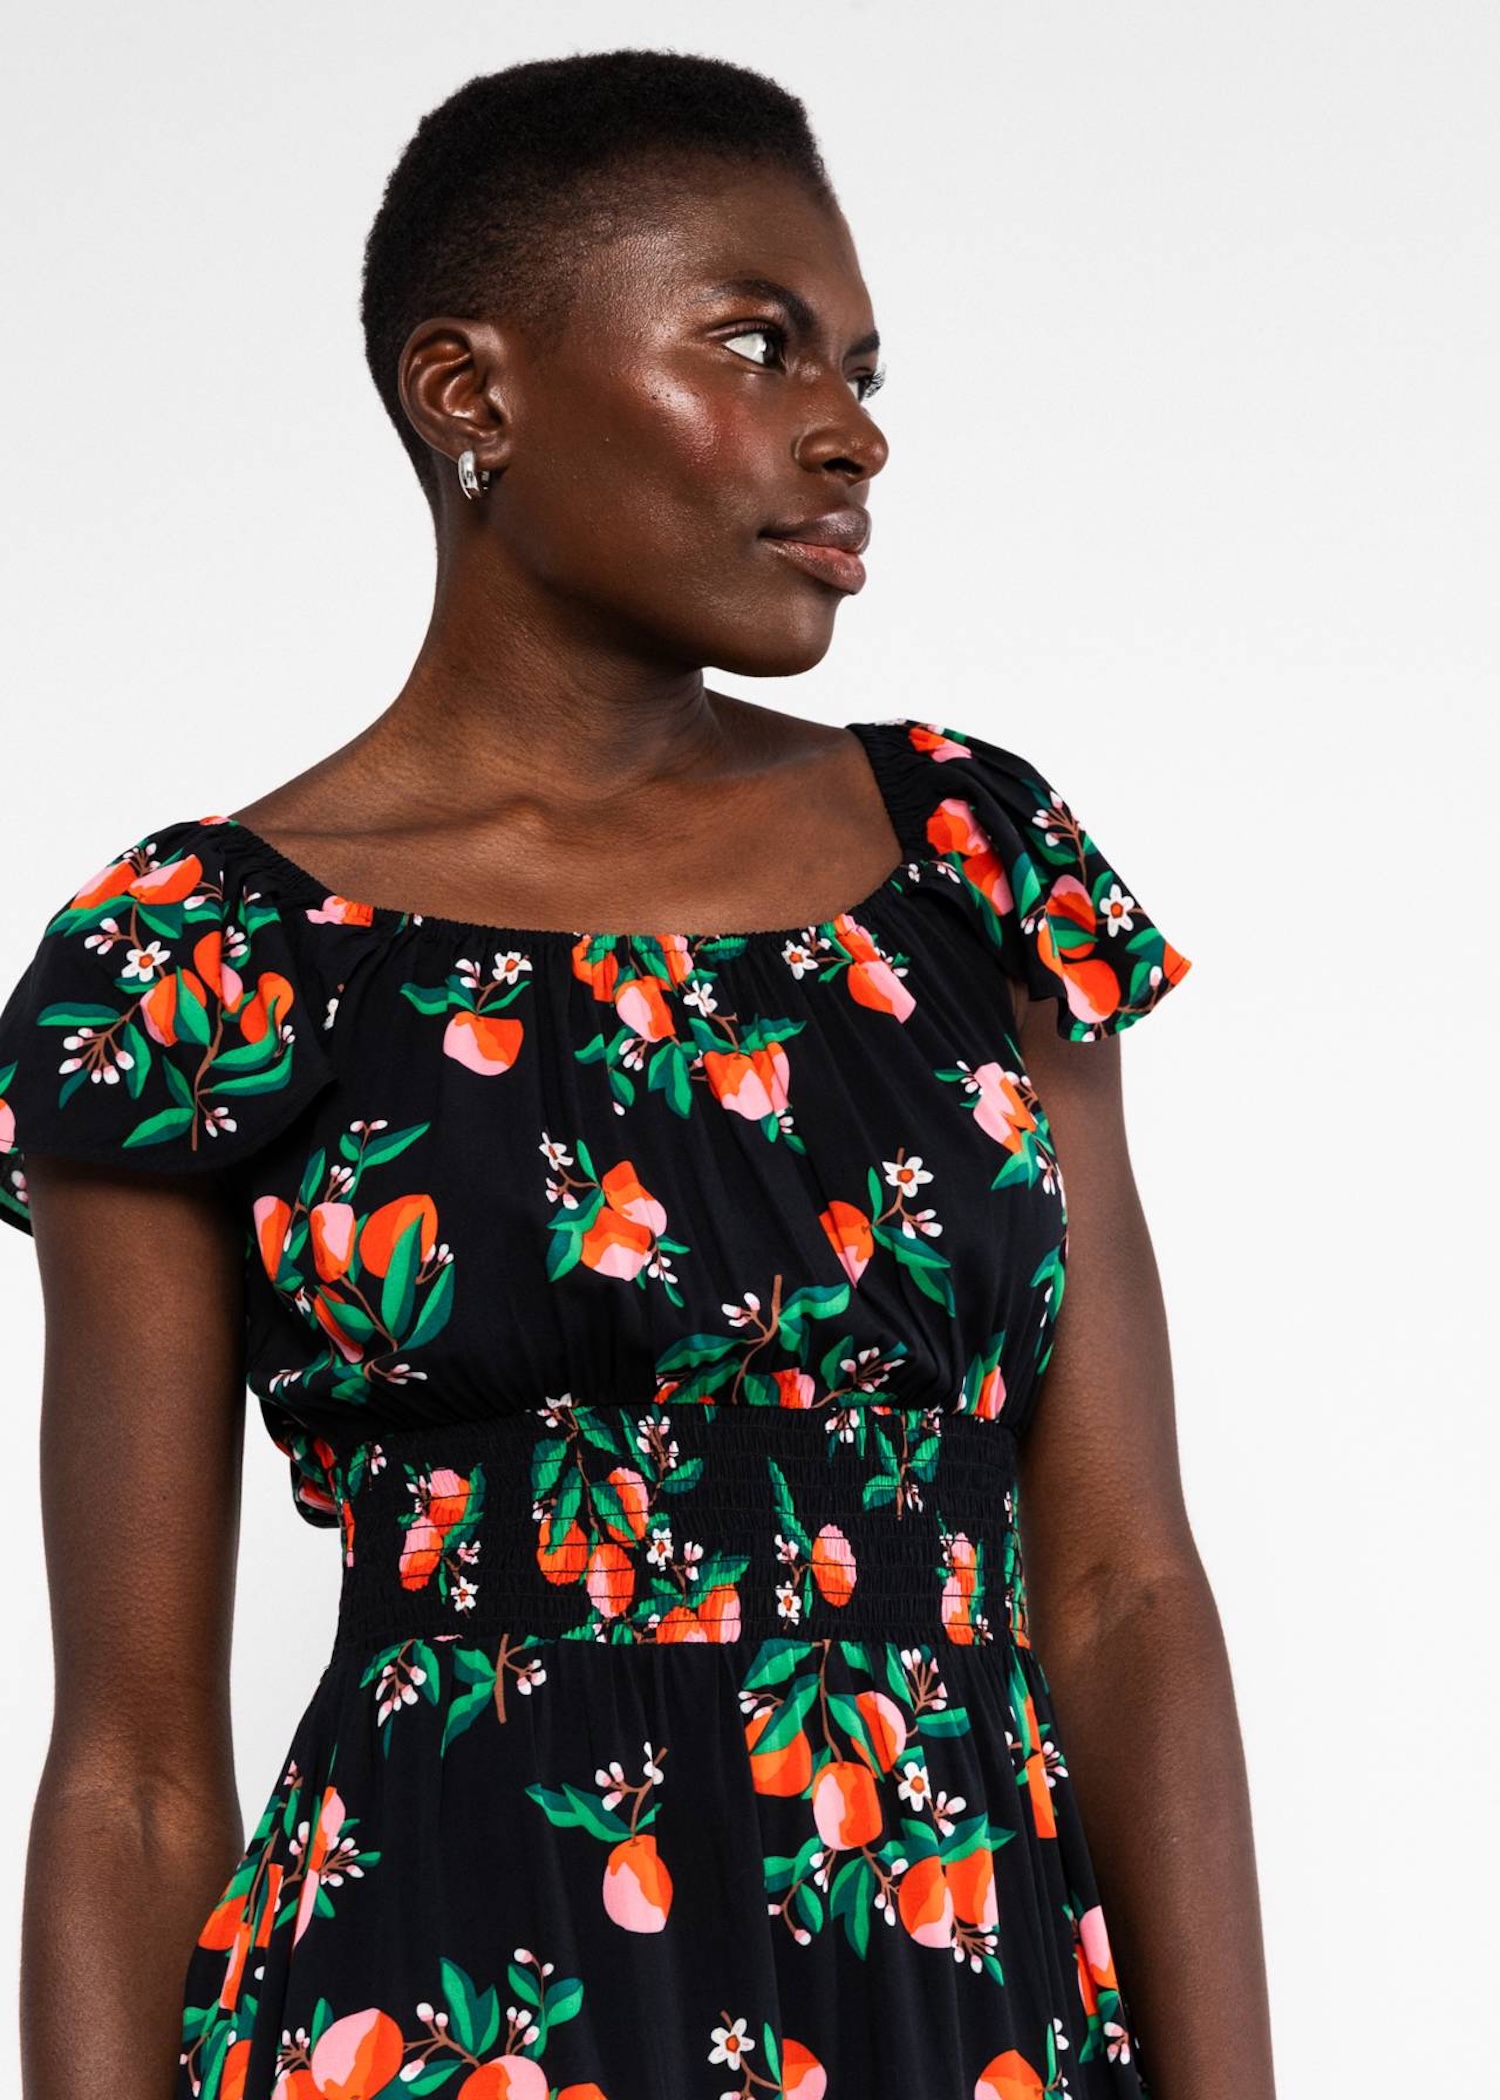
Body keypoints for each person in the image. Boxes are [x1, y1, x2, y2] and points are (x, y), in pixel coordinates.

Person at [0, 48, 1275, 2100]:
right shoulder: (200, 965)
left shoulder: (973, 867)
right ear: (472, 395)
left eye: (859, 365)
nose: (851, 430)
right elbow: (133, 1773)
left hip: (958, 2013)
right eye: (758, 345)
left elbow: (1127, 1594)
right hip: (440, 2017)